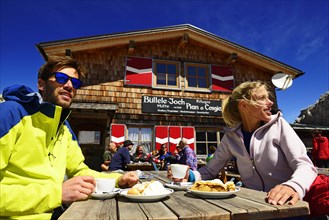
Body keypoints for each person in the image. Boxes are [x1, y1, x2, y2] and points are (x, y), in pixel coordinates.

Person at [0, 56, 138, 220]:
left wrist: (118, 180)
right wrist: (56, 194)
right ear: (41, 84)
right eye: (61, 78)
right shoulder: (10, 113)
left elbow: (80, 171)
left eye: (75, 83)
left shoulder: (64, 128)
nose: (69, 86)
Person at [167, 81, 318, 209]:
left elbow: (305, 165)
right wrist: (190, 175)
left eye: (269, 97)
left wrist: (293, 186)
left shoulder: (279, 125)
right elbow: (209, 170)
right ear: (244, 105)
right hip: (252, 206)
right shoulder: (230, 137)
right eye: (262, 98)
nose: (270, 102)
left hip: (286, 205)